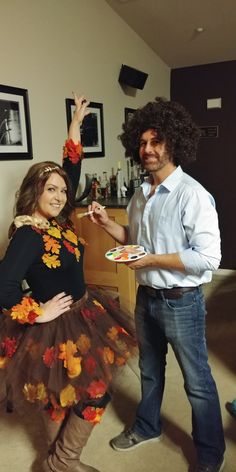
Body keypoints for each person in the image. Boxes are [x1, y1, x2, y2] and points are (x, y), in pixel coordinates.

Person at [88, 97, 226, 472]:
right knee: (150, 369)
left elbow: (208, 258)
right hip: (146, 297)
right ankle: (148, 426)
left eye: (156, 141)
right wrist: (107, 226)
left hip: (182, 302)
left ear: (174, 143)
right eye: (143, 142)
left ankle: (211, 454)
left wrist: (151, 259)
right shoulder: (140, 194)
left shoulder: (192, 195)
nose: (147, 150)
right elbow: (134, 241)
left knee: (197, 382)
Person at [0, 93, 136, 472]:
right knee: (65, 396)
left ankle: (59, 461)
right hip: (55, 325)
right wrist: (37, 313)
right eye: (51, 190)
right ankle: (63, 462)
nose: (60, 196)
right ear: (34, 193)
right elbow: (3, 287)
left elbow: (70, 171)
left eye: (62, 191)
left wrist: (76, 124)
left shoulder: (57, 221)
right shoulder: (28, 233)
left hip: (85, 313)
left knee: (88, 391)